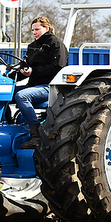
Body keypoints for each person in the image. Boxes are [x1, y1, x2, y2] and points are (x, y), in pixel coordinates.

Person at [13, 16, 68, 149]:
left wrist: (33, 71)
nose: (34, 32)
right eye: (32, 30)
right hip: (33, 85)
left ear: (46, 28)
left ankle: (36, 135)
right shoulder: (32, 46)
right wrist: (9, 77)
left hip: (49, 86)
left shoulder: (55, 44)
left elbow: (57, 68)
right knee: (5, 92)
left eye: (37, 29)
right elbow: (25, 67)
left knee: (22, 96)